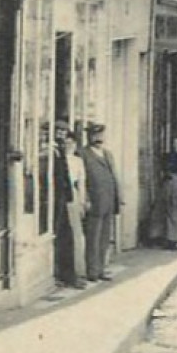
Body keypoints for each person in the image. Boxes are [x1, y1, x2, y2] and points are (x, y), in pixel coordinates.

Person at [80, 123, 120, 282]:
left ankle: (102, 268)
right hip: (94, 201)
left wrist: (118, 197)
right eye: (95, 135)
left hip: (109, 200)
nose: (98, 138)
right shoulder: (83, 154)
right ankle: (92, 271)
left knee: (104, 237)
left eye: (101, 135)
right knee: (93, 237)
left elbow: (113, 176)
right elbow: (81, 179)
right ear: (89, 137)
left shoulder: (108, 154)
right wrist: (86, 199)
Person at [52, 120, 88, 288]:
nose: (63, 139)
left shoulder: (74, 159)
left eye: (65, 135)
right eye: (58, 133)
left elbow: (80, 182)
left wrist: (81, 201)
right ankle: (63, 274)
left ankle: (73, 274)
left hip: (68, 196)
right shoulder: (53, 152)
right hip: (55, 198)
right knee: (61, 235)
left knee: (71, 235)